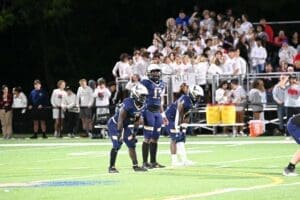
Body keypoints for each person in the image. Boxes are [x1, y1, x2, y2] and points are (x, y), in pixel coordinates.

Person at [108, 84, 148, 173]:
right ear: (135, 94)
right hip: (115, 124)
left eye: (145, 96)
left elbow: (137, 119)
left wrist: (134, 133)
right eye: (142, 95)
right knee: (117, 144)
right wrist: (119, 134)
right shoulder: (128, 103)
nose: (144, 98)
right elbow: (120, 120)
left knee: (131, 144)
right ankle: (111, 167)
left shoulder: (142, 105)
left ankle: (135, 166)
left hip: (125, 125)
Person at [165, 85, 203, 166]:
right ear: (193, 93)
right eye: (198, 96)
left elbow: (187, 114)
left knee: (182, 138)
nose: (199, 98)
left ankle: (184, 160)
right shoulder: (185, 99)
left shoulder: (193, 102)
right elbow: (179, 113)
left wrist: (184, 127)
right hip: (170, 118)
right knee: (175, 137)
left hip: (178, 117)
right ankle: (174, 161)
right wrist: (178, 126)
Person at [141, 64, 168, 168]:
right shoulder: (145, 83)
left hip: (157, 112)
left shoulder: (162, 84)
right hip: (148, 111)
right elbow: (141, 98)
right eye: (153, 71)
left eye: (157, 71)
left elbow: (160, 101)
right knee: (147, 137)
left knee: (155, 138)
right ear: (149, 73)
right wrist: (141, 114)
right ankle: (144, 162)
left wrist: (163, 114)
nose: (156, 73)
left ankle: (153, 161)